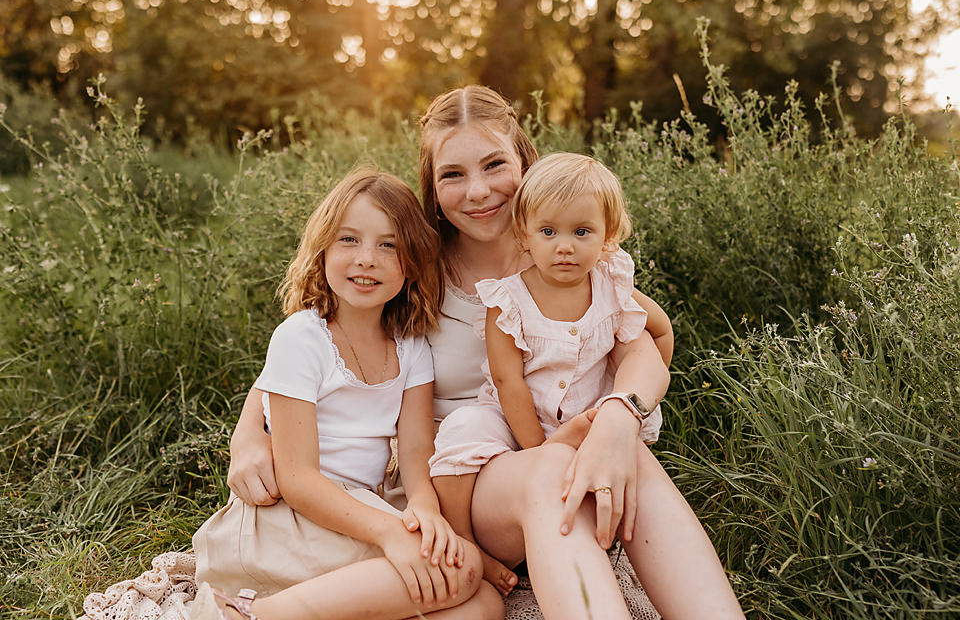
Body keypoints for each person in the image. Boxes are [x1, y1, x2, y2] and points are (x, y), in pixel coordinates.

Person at [229, 86, 744, 619]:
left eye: (495, 164)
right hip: (461, 485)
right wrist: (247, 435)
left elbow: (642, 343)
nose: (478, 191)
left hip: (563, 454)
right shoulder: (412, 262)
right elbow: (316, 341)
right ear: (432, 184)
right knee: (549, 468)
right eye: (453, 174)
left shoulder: (562, 249)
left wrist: (619, 417)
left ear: (524, 157)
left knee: (615, 447)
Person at [192, 167, 502, 620]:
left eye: (388, 245)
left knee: (485, 607)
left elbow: (417, 456)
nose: (367, 259)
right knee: (464, 568)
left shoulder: (410, 345)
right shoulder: (302, 337)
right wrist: (390, 533)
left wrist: (423, 508)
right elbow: (298, 480)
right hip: (290, 521)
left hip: (360, 511)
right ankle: (257, 615)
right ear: (322, 250)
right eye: (349, 240)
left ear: (413, 261)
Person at [427, 151, 667, 596]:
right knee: (461, 433)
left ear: (607, 235)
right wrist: (536, 449)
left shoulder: (611, 284)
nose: (564, 247)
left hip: (584, 409)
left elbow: (658, 329)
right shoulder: (508, 300)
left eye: (582, 232)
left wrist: (630, 381)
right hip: (511, 418)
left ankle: (610, 541)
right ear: (525, 234)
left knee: (621, 448)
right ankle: (463, 538)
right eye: (549, 232)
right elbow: (508, 381)